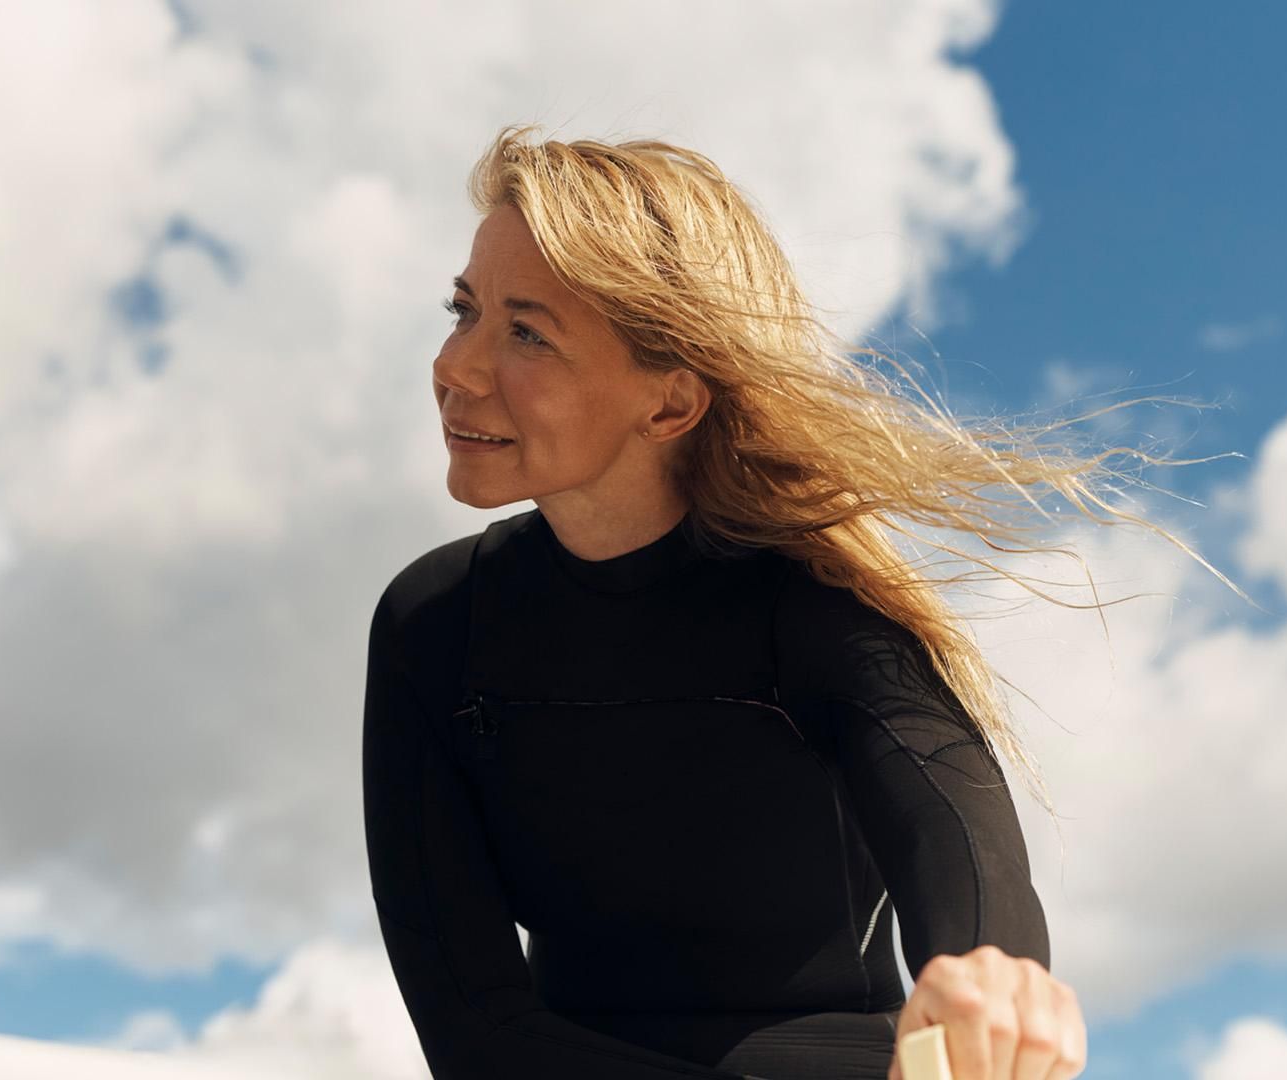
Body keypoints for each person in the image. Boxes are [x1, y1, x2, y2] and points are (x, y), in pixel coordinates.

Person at [364, 129, 1106, 1080]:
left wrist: (991, 975)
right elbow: (474, 1031)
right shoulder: (434, 625)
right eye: (463, 309)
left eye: (526, 332)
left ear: (670, 405)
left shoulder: (819, 608)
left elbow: (949, 827)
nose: (455, 365)